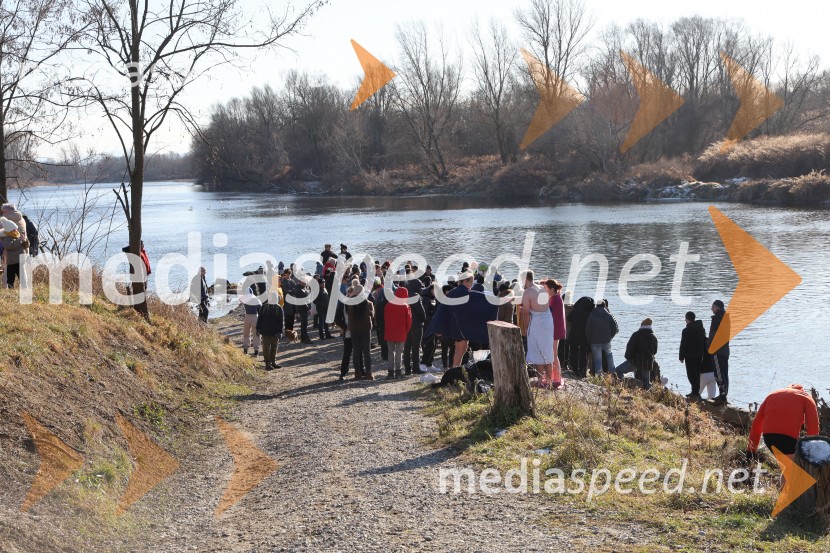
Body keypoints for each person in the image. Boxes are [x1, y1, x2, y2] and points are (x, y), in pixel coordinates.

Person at [747, 384, 820, 459]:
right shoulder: (806, 397)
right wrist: (812, 453)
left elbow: (757, 423)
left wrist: (751, 451)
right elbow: (813, 426)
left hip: (768, 438)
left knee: (786, 464)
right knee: (796, 467)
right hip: (789, 440)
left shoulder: (773, 394)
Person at [520, 271, 555, 387]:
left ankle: (541, 380)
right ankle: (550, 380)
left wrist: (526, 328)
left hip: (537, 321)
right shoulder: (542, 288)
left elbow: (526, 313)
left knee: (536, 349)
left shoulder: (527, 292)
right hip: (548, 319)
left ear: (525, 280)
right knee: (547, 349)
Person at [345, 282, 375, 380]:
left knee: (356, 352)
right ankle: (368, 373)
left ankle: (357, 373)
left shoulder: (349, 303)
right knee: (367, 352)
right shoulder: (369, 303)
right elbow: (372, 316)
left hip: (354, 329)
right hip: (365, 329)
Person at [585, 299, 619, 376]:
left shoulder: (591, 315)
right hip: (607, 340)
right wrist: (610, 337)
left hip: (594, 341)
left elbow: (588, 330)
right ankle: (613, 374)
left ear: (596, 305)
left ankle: (599, 376)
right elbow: (614, 328)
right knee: (609, 356)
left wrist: (589, 340)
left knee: (598, 360)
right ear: (605, 306)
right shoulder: (609, 315)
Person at [384, 286, 412, 379]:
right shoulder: (405, 306)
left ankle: (390, 372)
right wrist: (406, 331)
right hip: (401, 332)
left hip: (390, 331)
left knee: (390, 352)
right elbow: (409, 322)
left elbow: (386, 319)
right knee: (399, 352)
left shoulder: (388, 305)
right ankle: (398, 371)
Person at [623, 318, 659, 390]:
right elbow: (654, 351)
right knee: (646, 382)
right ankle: (648, 395)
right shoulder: (654, 337)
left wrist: (627, 357)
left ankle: (622, 387)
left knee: (618, 371)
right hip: (647, 363)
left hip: (635, 361)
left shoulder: (636, 335)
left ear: (641, 326)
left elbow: (630, 347)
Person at [679, 311, 707, 399]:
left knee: (691, 374)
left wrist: (681, 356)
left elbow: (683, 344)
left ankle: (694, 392)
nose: (685, 320)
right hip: (699, 354)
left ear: (687, 319)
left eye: (685, 318)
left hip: (689, 356)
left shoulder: (686, 330)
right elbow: (704, 342)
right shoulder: (701, 329)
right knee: (697, 373)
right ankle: (696, 391)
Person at [709, 299, 731, 405]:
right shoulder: (726, 318)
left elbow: (713, 336)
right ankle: (724, 395)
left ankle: (722, 397)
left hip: (717, 351)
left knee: (718, 374)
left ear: (717, 307)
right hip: (725, 350)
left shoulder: (717, 318)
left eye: (713, 307)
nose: (711, 308)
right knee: (724, 373)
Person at [566, 296, 594, 377]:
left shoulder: (575, 311)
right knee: (583, 354)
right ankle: (583, 371)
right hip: (584, 337)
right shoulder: (589, 313)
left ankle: (574, 369)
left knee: (573, 352)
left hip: (574, 335)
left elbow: (569, 318)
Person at [546, 279, 567, 388]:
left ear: (552, 289)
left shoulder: (554, 300)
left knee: (553, 354)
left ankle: (557, 378)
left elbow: (549, 315)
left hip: (555, 330)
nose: (546, 291)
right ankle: (555, 377)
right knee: (553, 353)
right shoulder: (557, 298)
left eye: (546, 289)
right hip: (557, 329)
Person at [256, 293, 284, 370]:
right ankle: (268, 363)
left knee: (274, 347)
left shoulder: (279, 308)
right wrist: (258, 328)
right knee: (266, 348)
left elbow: (281, 322)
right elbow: (260, 319)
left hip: (274, 332)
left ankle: (273, 362)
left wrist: (280, 331)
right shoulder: (264, 307)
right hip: (265, 331)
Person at [404, 278, 426, 375]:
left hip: (406, 324)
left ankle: (407, 369)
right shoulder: (416, 296)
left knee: (407, 347)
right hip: (416, 324)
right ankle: (416, 368)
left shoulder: (405, 294)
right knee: (416, 347)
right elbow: (421, 311)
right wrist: (423, 319)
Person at [1, 218, 26, 289]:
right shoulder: (6, 238)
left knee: (22, 278)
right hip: (11, 262)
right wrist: (20, 240)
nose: (16, 230)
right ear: (9, 230)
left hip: (20, 260)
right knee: (11, 279)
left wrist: (25, 241)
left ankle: (24, 290)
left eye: (16, 229)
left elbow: (25, 246)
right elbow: (11, 246)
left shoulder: (17, 235)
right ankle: (11, 291)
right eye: (14, 229)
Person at [420, 283, 438, 370]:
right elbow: (425, 314)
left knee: (433, 345)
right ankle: (424, 363)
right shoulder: (425, 299)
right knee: (429, 345)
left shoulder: (432, 299)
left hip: (432, 325)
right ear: (431, 290)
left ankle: (429, 363)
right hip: (427, 326)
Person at [240, 286, 262, 356]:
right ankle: (256, 350)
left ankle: (245, 349)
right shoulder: (256, 299)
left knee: (246, 333)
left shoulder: (244, 299)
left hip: (247, 316)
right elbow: (260, 308)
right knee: (256, 334)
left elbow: (240, 299)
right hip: (255, 316)